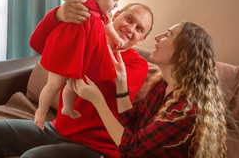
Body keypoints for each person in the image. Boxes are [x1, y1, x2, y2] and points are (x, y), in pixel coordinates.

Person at [0, 3, 154, 156]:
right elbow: (38, 43)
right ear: (115, 15)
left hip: (94, 147)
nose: (130, 29)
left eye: (139, 29)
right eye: (129, 19)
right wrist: (59, 15)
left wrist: (95, 29)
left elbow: (100, 72)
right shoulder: (85, 37)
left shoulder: (137, 65)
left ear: (141, 40)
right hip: (58, 128)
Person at [73, 22, 228, 158]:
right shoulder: (162, 85)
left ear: (180, 56)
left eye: (168, 35)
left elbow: (133, 147)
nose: (157, 37)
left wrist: (98, 101)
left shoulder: (186, 110)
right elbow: (132, 123)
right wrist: (121, 83)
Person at [34, 0, 140, 128]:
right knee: (54, 84)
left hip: (80, 55)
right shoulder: (85, 0)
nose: (116, 5)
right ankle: (41, 112)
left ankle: (68, 109)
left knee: (72, 84)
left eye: (118, 1)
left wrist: (116, 38)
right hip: (65, 49)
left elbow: (108, 26)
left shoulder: (104, 15)